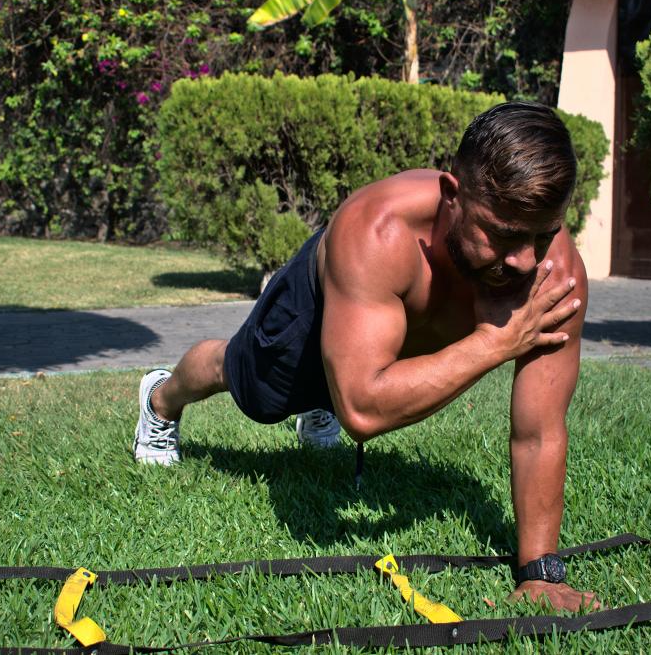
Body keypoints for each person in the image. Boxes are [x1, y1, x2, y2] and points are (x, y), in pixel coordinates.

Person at [133, 101, 598, 612]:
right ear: (452, 196)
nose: (525, 260)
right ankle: (161, 399)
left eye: (543, 233)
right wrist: (495, 342)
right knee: (252, 388)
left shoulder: (553, 275)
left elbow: (540, 430)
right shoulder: (377, 231)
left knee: (347, 382)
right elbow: (362, 411)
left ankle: (323, 395)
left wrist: (541, 571)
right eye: (504, 234)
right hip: (321, 303)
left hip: (384, 342)